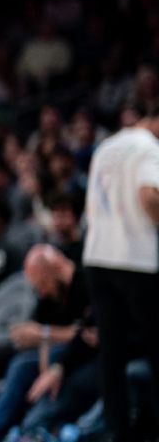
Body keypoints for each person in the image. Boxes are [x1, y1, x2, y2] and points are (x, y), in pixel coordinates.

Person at [82, 109, 159, 442]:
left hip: (97, 257)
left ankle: (120, 433)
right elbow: (148, 195)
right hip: (136, 261)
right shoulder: (149, 146)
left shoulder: (106, 147)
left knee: (110, 357)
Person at [0, 244, 90, 442]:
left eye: (42, 284)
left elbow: (85, 334)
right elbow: (43, 335)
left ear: (53, 270)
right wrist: (41, 342)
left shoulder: (85, 283)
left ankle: (34, 427)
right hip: (56, 355)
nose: (41, 292)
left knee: (54, 357)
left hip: (85, 355)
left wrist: (44, 334)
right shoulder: (49, 294)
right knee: (22, 364)